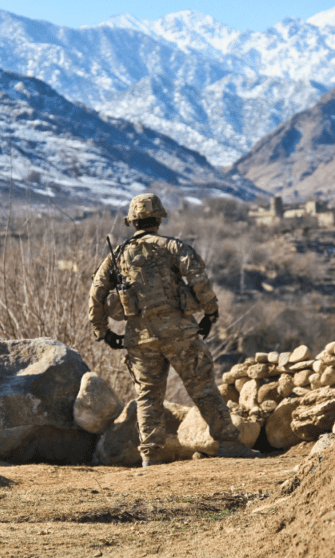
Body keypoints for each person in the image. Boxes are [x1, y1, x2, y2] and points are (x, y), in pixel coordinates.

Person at [87, 193, 262, 466]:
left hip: (140, 338)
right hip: (180, 334)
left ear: (132, 222)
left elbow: (96, 292)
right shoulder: (173, 247)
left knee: (147, 397)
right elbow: (198, 278)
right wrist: (210, 312)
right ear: (158, 219)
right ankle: (229, 443)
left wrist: (103, 331)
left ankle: (151, 455)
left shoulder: (118, 255)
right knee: (203, 388)